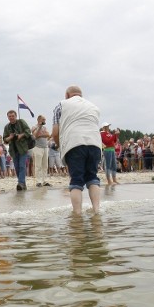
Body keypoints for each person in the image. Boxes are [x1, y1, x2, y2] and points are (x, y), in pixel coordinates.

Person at [51, 85, 102, 215]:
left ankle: (77, 214)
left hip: (74, 143)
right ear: (81, 95)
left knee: (76, 179)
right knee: (92, 177)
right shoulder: (93, 106)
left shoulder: (61, 105)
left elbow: (55, 132)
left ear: (67, 95)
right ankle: (96, 210)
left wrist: (58, 145)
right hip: (95, 143)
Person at [3, 110, 32, 191]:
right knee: (17, 167)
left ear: (15, 116)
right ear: (8, 117)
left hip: (23, 148)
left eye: (13, 116)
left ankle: (20, 183)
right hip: (13, 150)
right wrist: (10, 137)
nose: (11, 117)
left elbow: (28, 131)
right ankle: (23, 184)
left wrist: (21, 135)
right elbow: (5, 139)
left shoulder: (21, 122)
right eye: (9, 116)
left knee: (22, 166)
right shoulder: (7, 127)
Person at [31, 115, 51, 187]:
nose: (44, 121)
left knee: (45, 165)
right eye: (43, 119)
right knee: (38, 165)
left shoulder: (45, 127)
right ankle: (38, 181)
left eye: (45, 120)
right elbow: (35, 135)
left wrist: (41, 134)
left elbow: (48, 134)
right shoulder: (34, 127)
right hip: (37, 147)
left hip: (45, 147)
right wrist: (39, 128)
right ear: (39, 120)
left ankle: (45, 181)